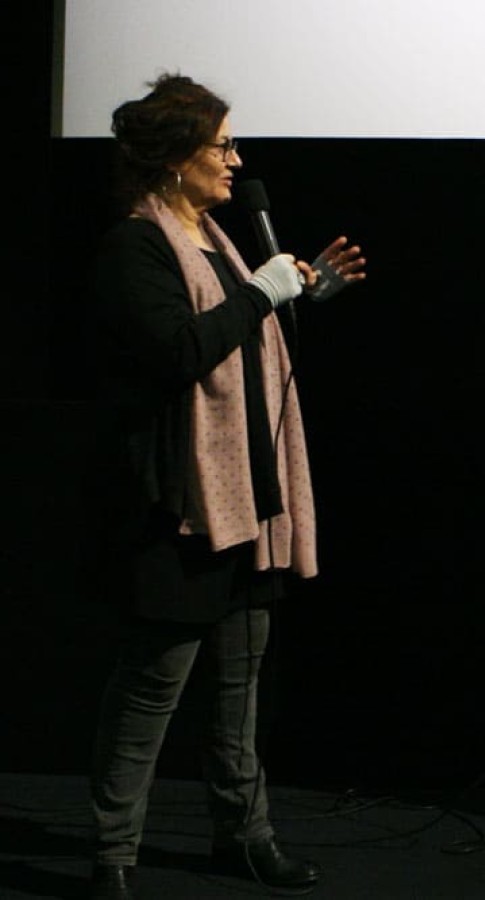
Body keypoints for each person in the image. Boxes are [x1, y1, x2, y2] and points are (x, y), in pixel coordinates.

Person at [85, 73, 365, 900]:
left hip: (250, 498)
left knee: (240, 692)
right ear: (174, 160)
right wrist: (259, 296)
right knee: (153, 689)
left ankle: (243, 838)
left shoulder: (220, 239)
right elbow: (179, 351)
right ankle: (112, 856)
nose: (236, 162)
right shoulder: (134, 247)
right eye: (221, 147)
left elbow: (240, 340)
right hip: (183, 505)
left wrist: (297, 295)